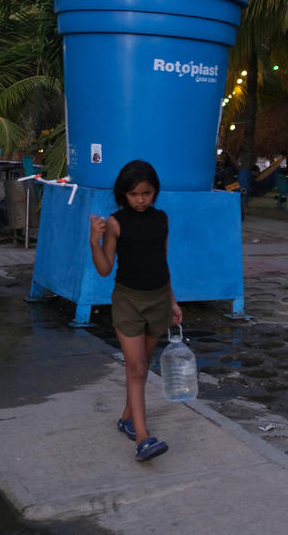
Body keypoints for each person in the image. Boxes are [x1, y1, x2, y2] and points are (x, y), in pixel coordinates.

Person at [90, 160, 182, 462]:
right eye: (134, 194)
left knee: (142, 365)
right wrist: (95, 239)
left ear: (155, 191)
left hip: (158, 300)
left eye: (147, 193)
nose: (141, 199)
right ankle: (142, 438)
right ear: (123, 195)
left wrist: (172, 301)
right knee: (137, 368)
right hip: (128, 301)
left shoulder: (162, 220)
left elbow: (163, 262)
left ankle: (127, 418)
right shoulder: (116, 223)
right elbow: (104, 269)